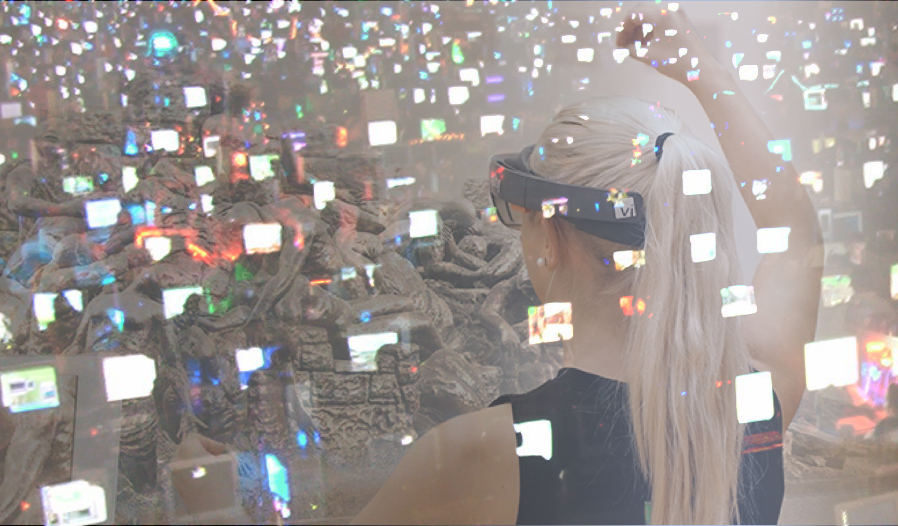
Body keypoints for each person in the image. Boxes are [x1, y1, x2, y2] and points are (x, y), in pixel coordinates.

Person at [351, 4, 822, 525]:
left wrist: (702, 74)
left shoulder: (475, 455)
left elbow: (795, 232)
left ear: (550, 237)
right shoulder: (756, 400)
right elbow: (795, 230)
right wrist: (705, 72)